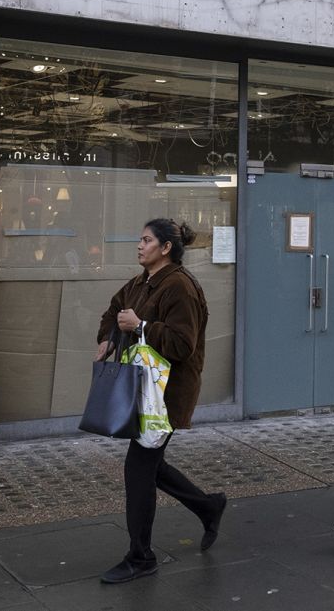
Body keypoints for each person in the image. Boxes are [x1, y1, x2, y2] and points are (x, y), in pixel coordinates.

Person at [95, 219, 226, 584]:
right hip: (142, 389)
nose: (139, 246)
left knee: (138, 469)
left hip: (166, 396)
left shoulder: (180, 287)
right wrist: (106, 337)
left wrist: (139, 327)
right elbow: (115, 309)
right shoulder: (141, 282)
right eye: (140, 239)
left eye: (147, 240)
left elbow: (183, 344)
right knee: (151, 466)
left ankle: (141, 558)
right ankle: (209, 506)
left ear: (166, 247)